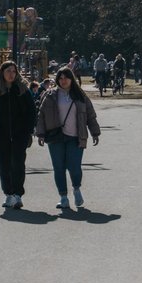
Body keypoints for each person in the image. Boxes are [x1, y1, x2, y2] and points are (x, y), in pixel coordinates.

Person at [36, 67, 100, 209]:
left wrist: (95, 132)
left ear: (72, 79)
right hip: (55, 137)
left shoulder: (80, 95)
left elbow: (90, 115)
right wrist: (40, 134)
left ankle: (76, 188)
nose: (63, 80)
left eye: (66, 78)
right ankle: (63, 197)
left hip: (75, 137)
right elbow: (41, 115)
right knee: (58, 168)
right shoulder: (50, 95)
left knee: (74, 167)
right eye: (60, 78)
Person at [0, 61, 37, 209]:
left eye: (14, 71)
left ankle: (18, 194)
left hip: (20, 135)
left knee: (18, 164)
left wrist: (28, 130)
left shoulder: (22, 89)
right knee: (3, 165)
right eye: (8, 71)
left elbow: (32, 111)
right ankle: (8, 194)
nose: (11, 74)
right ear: (2, 72)